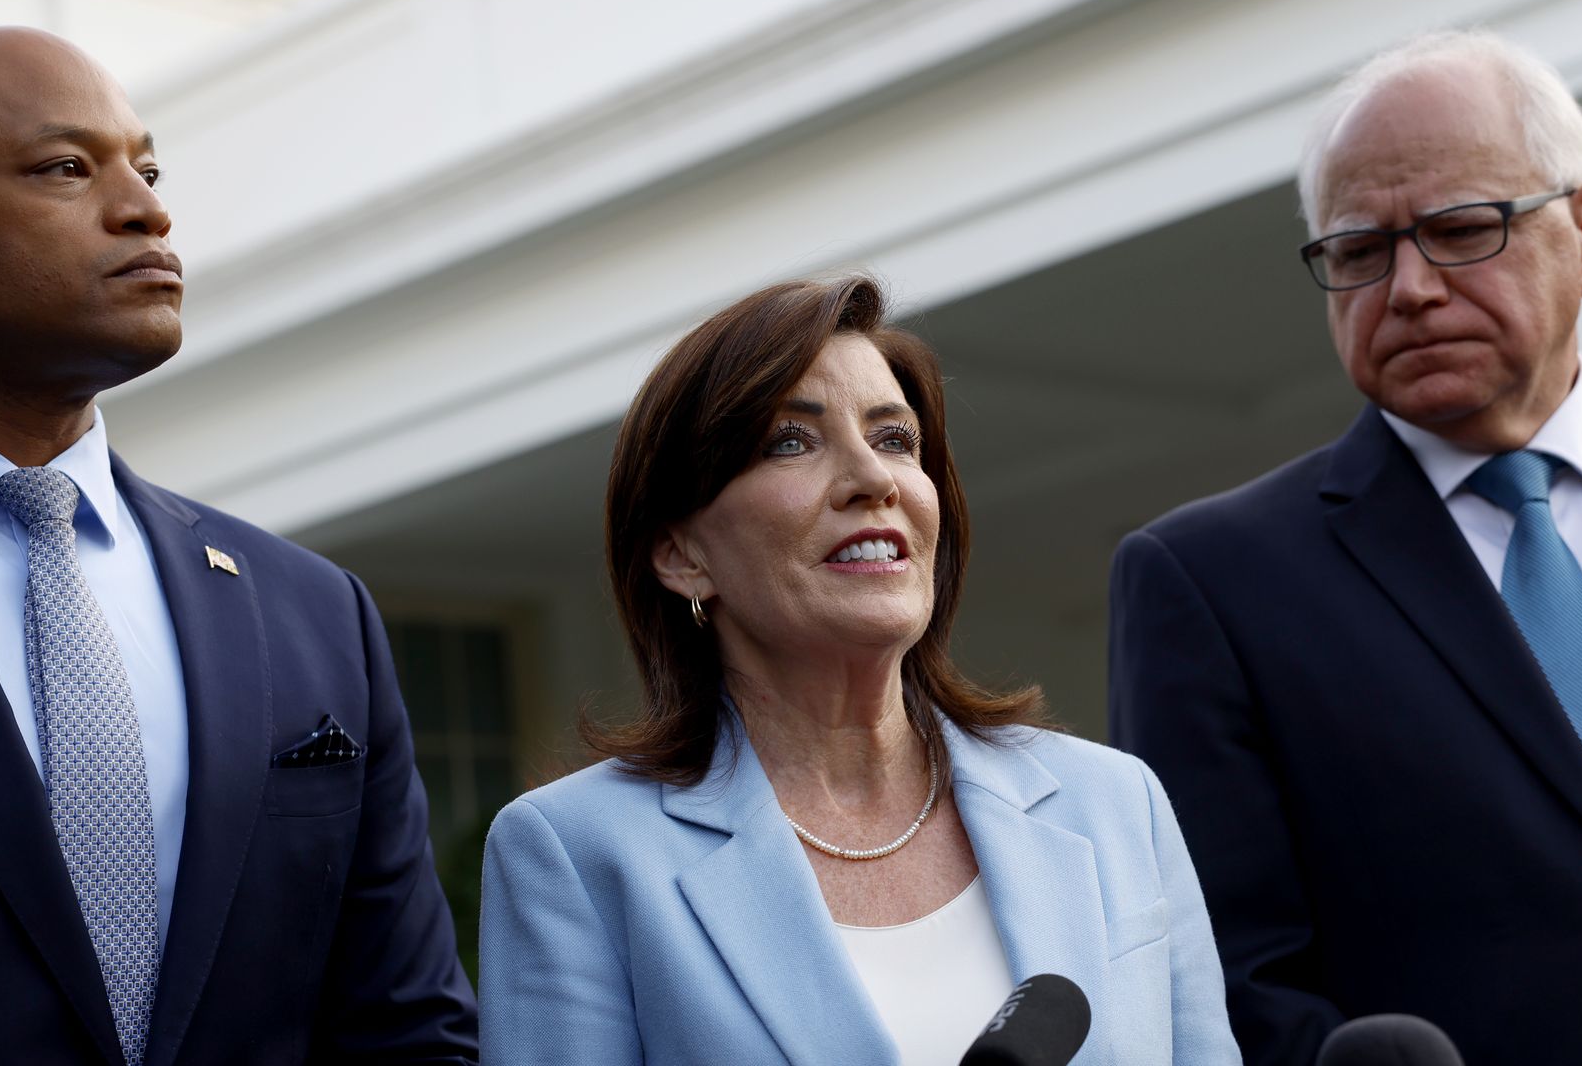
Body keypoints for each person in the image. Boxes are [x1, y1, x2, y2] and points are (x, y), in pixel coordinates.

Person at [0, 28, 477, 1064]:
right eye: (67, 169)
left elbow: (406, 1028)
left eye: (150, 168)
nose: (150, 211)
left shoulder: (315, 614)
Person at [1108, 30, 1582, 1065]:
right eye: (1359, 251)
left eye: (1459, 229)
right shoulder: (1211, 584)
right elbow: (1223, 980)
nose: (1408, 289)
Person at [478, 275, 1238, 1065]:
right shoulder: (575, 853)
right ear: (681, 554)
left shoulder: (1114, 804)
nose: (875, 480)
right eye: (789, 441)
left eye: (895, 439)